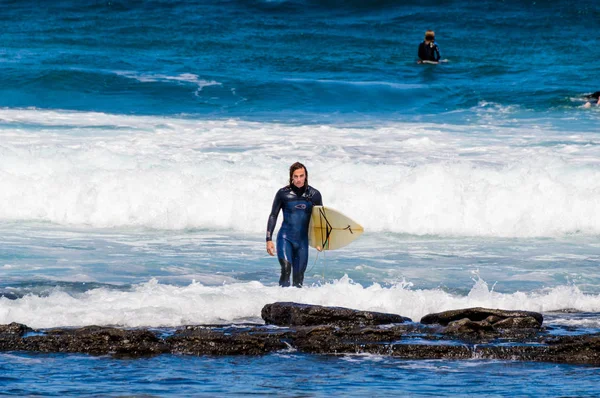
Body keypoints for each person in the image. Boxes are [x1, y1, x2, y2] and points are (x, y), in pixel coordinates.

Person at [266, 162, 323, 287]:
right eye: (295, 176)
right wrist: (268, 239)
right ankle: (281, 302)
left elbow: (320, 220)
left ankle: (293, 304)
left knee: (298, 279)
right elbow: (273, 215)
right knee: (286, 269)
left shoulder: (314, 195)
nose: (298, 179)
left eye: (301, 176)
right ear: (291, 177)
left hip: (302, 242)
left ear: (306, 176)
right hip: (285, 238)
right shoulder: (283, 194)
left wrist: (320, 241)